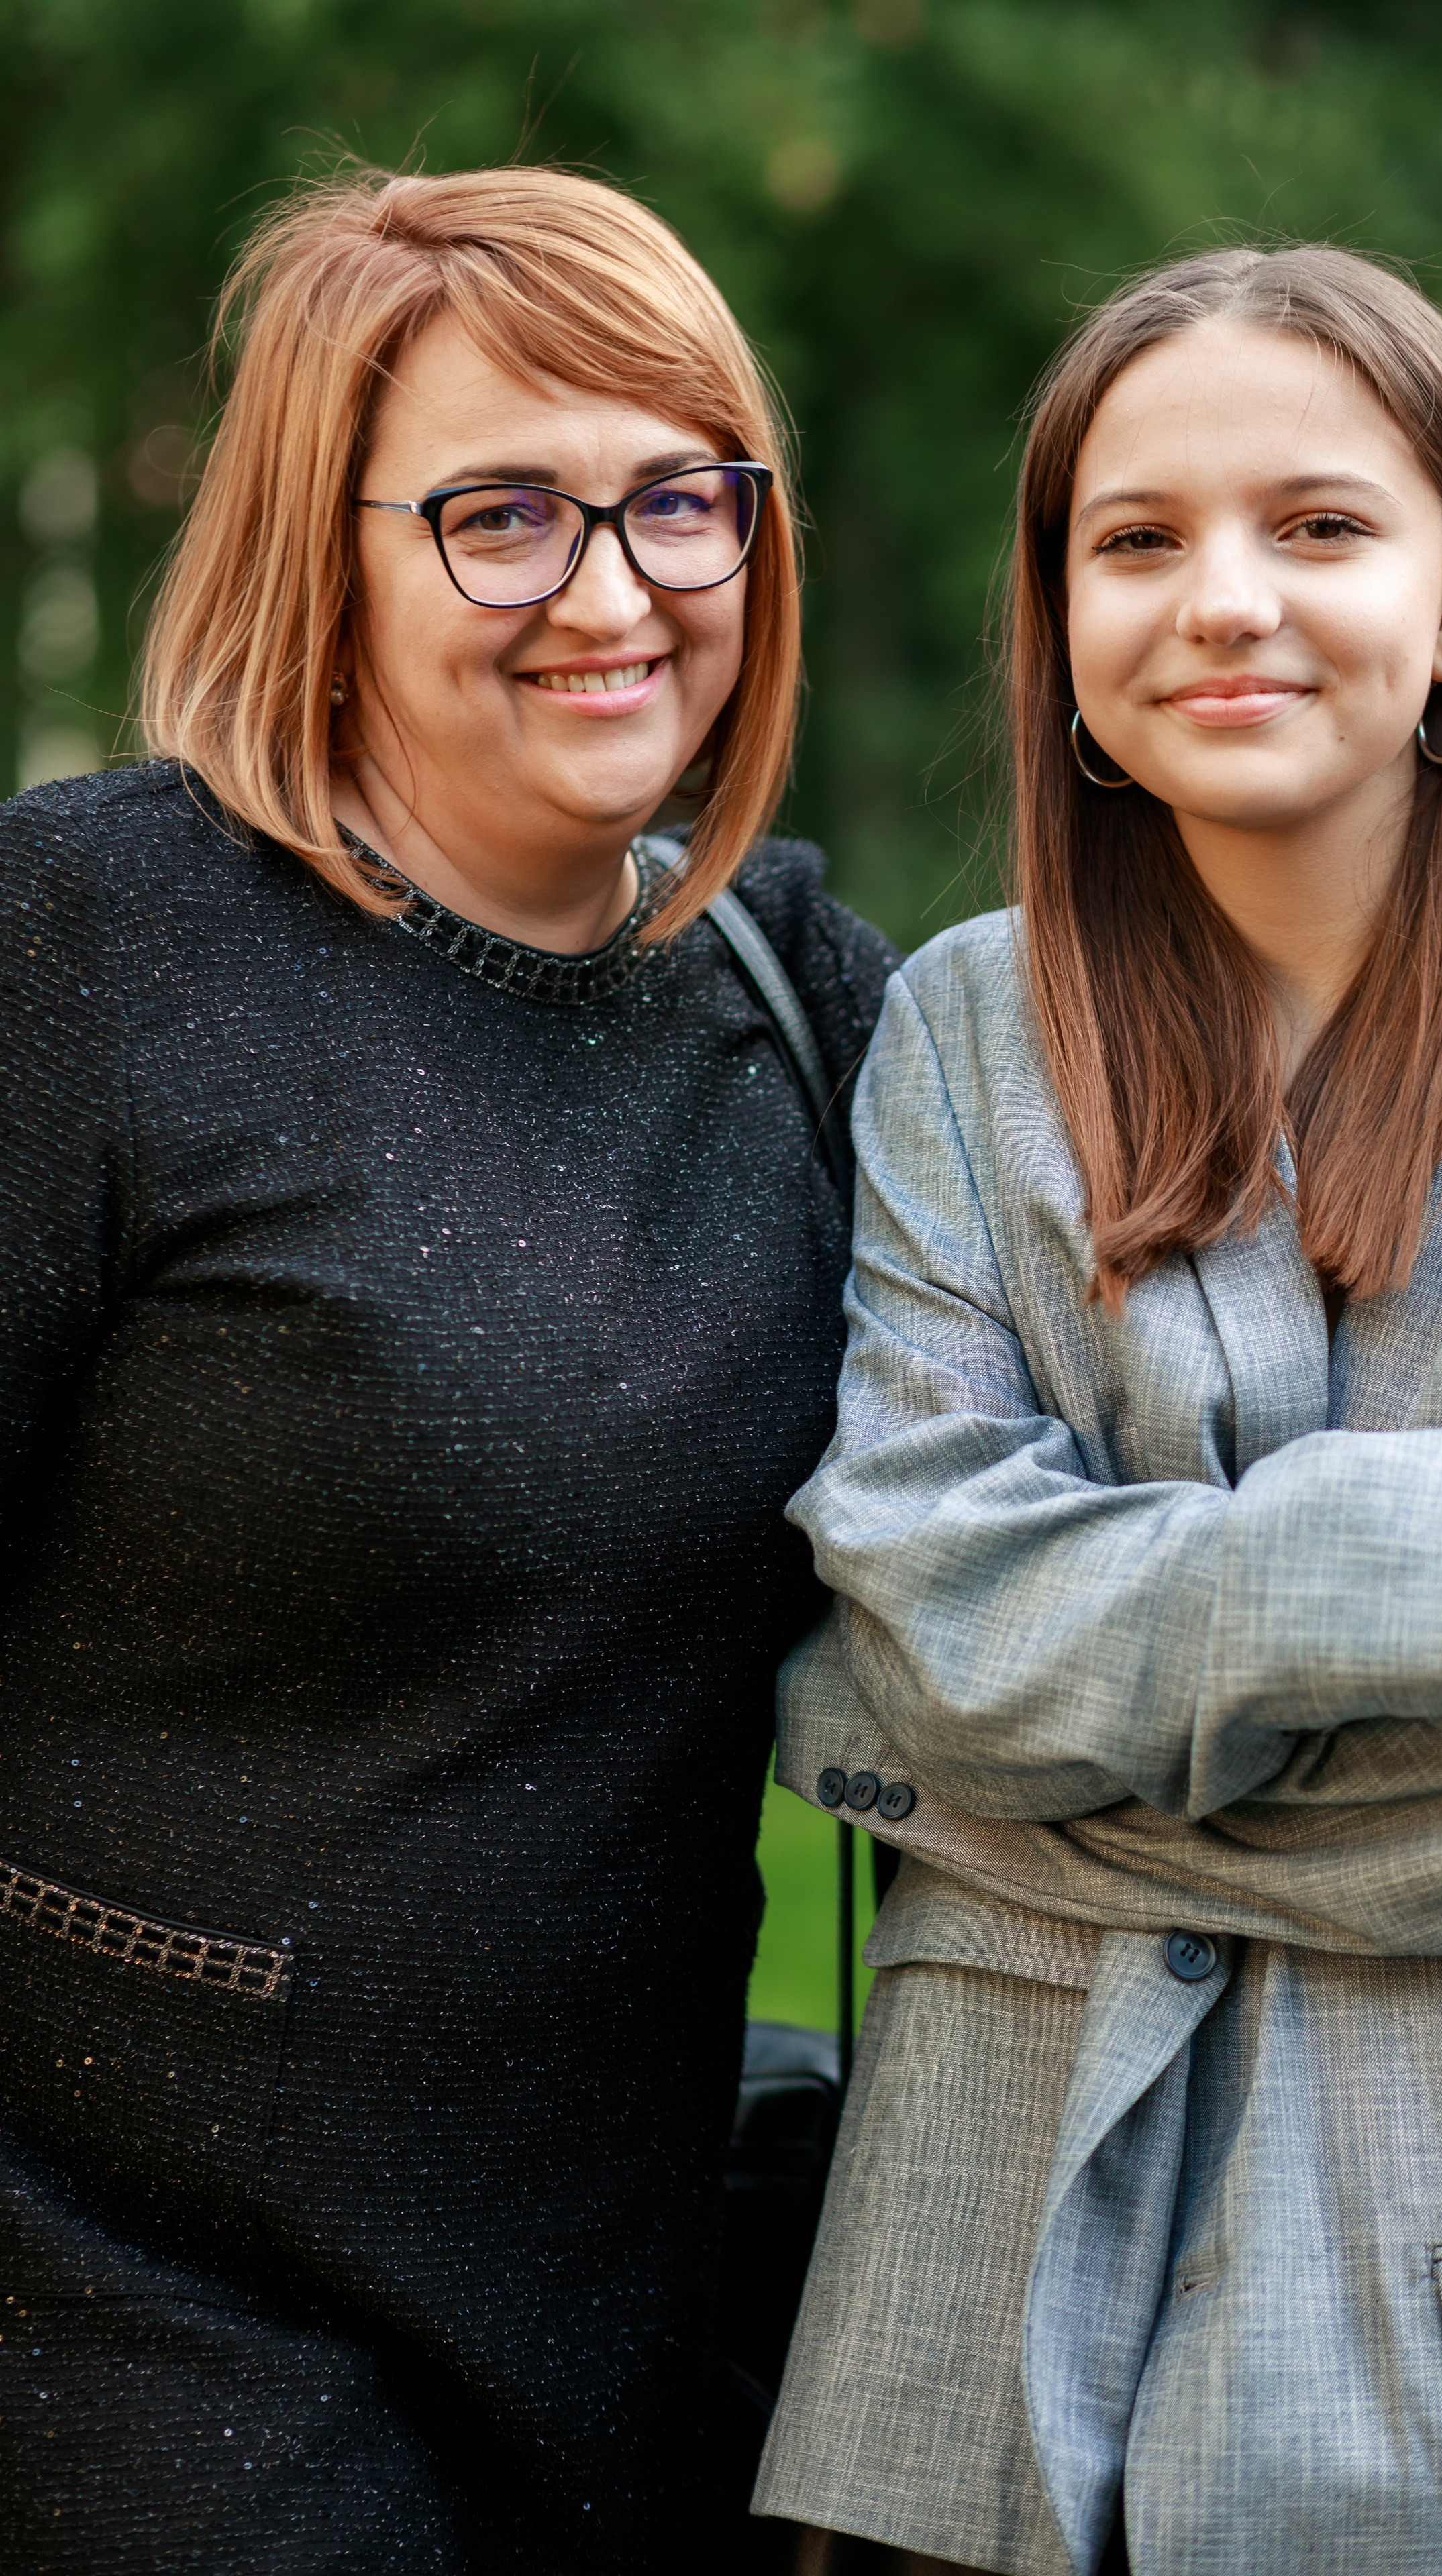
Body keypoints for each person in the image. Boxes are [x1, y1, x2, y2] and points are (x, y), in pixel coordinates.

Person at [755, 244, 1442, 2576]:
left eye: (1319, 526)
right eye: (1139, 539)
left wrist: (1010, 1798)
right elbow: (934, 1615)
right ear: (1061, 618)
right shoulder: (963, 1035)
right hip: (960, 2368)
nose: (1224, 603)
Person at [0, 164, 898, 2574]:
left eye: (674, 502)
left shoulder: (803, 997)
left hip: (619, 2330)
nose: (610, 597)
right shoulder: (87, 945)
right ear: (333, 542)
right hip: (124, 2327)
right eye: (502, 513)